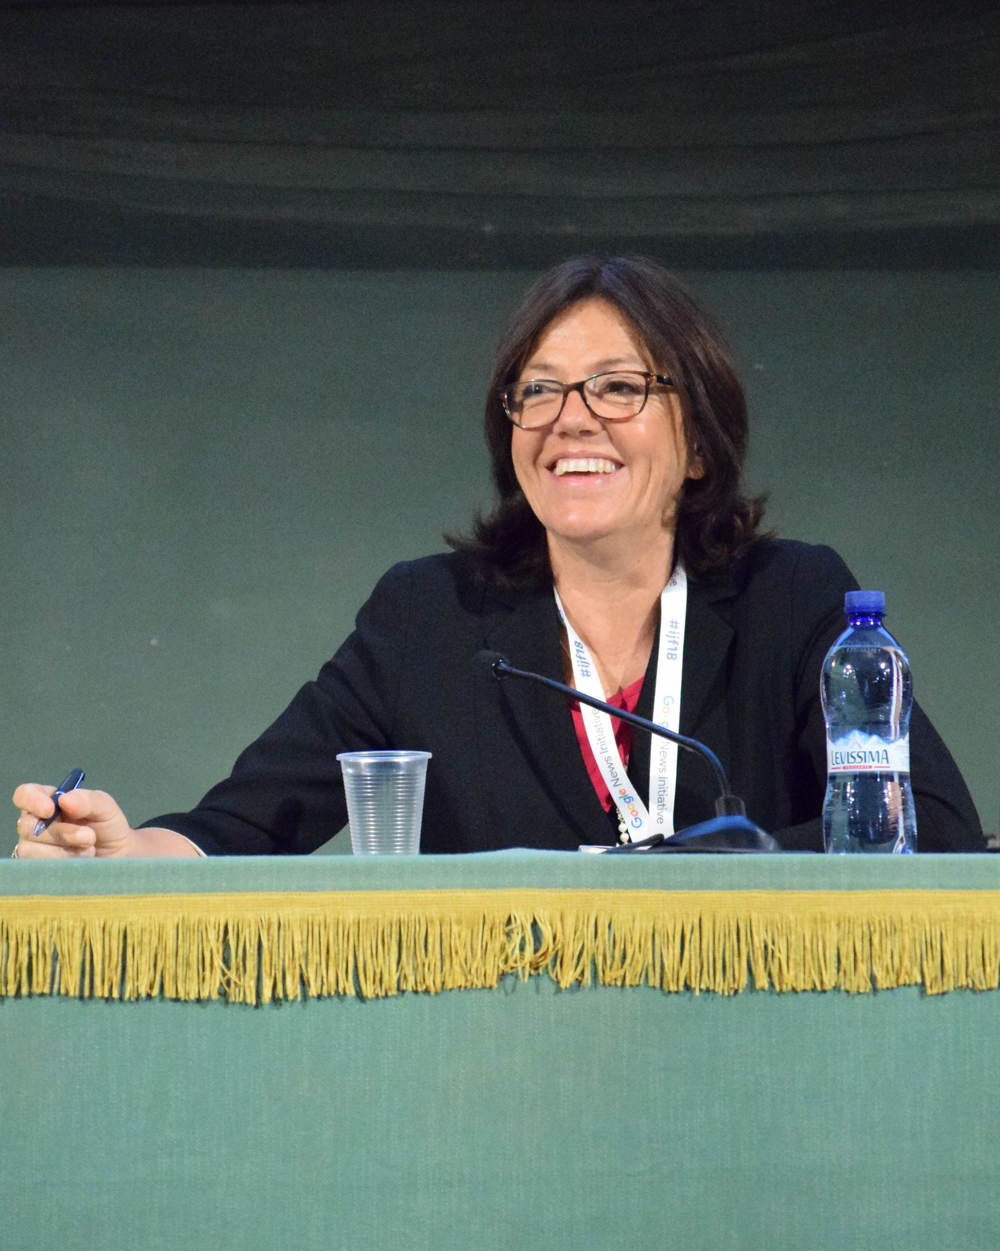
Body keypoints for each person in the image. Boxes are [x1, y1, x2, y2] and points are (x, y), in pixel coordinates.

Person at [12, 257, 984, 858]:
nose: (572, 419)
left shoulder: (794, 600)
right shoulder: (431, 619)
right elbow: (244, 825)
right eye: (539, 391)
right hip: (497, 1066)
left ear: (698, 442)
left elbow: (927, 826)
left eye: (617, 388)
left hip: (745, 1047)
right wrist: (124, 853)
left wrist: (687, 872)